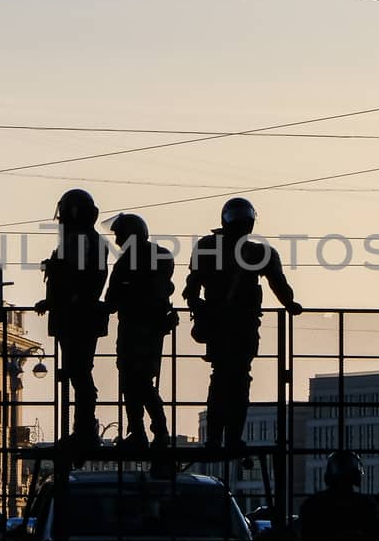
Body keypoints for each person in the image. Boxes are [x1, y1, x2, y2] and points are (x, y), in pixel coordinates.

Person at [183, 198, 303, 456]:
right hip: (244, 327)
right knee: (239, 383)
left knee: (221, 381)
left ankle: (215, 439)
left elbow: (191, 288)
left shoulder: (207, 247)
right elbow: (280, 286)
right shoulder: (262, 253)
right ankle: (233, 439)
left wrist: (201, 309)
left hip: (219, 326)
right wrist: (291, 305)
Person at [35, 189, 108, 455]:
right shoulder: (87, 239)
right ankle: (82, 430)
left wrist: (55, 298)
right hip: (78, 315)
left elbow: (75, 279)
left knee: (78, 374)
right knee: (78, 373)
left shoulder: (80, 240)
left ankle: (84, 431)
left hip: (77, 317)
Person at [103, 212, 177, 451]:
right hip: (153, 330)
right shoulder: (161, 257)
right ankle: (157, 431)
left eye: (119, 235)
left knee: (132, 382)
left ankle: (142, 431)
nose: (116, 241)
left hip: (133, 330)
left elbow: (112, 299)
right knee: (143, 382)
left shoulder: (127, 262)